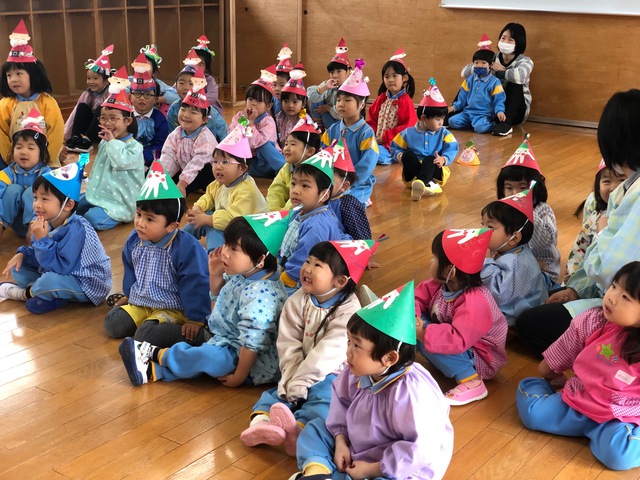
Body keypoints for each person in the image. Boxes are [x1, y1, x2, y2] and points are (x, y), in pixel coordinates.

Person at [516, 89, 640, 356]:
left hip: (626, 309)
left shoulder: (636, 193)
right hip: (609, 293)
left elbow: (610, 271)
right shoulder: (625, 189)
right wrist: (576, 288)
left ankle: (606, 360)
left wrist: (603, 231)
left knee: (529, 325)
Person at [290, 281, 454, 480]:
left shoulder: (410, 393)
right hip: (359, 444)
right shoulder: (356, 371)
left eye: (357, 346)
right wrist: (341, 441)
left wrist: (373, 469)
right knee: (316, 429)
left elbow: (419, 448)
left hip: (398, 465)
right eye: (349, 341)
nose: (348, 352)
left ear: (389, 358)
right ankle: (317, 472)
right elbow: (341, 403)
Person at [118, 212, 289, 387]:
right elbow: (218, 300)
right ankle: (153, 371)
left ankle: (158, 355)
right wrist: (215, 274)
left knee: (213, 358)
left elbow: (251, 346)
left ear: (260, 259)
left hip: (250, 362)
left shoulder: (263, 295)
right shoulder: (246, 273)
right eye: (226, 244)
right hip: (223, 339)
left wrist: (238, 377)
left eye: (234, 249)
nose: (225, 253)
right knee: (205, 356)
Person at [240, 240, 375, 456]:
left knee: (323, 402)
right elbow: (288, 343)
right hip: (300, 367)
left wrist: (301, 381)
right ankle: (262, 424)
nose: (307, 268)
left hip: (333, 375)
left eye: (317, 265)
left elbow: (329, 352)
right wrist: (290, 377)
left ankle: (299, 430)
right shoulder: (297, 300)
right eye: (308, 261)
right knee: (276, 394)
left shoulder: (349, 310)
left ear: (340, 281)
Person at [517, 261, 640, 471]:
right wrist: (549, 375)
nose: (612, 297)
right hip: (574, 401)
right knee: (533, 414)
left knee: (619, 457)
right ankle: (537, 388)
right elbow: (559, 355)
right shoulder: (591, 321)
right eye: (614, 286)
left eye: (626, 297)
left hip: (619, 418)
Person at [103, 162, 210, 347]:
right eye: (139, 214)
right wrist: (129, 296)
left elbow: (196, 282)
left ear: (172, 226)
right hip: (142, 302)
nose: (140, 223)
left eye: (150, 219)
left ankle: (202, 335)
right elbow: (131, 272)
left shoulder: (186, 248)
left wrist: (196, 318)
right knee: (113, 324)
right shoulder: (134, 240)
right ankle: (147, 323)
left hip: (173, 308)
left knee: (146, 336)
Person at [0, 156, 111, 314]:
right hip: (57, 271)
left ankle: (25, 294)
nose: (37, 205)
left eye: (45, 199)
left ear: (68, 205)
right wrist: (23, 254)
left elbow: (61, 268)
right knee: (18, 267)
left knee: (49, 280)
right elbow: (41, 256)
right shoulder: (48, 221)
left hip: (86, 283)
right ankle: (46, 293)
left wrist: (42, 240)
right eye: (36, 198)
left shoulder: (78, 229)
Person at [415, 229, 508, 406]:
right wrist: (413, 316)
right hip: (452, 338)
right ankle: (397, 344)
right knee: (414, 322)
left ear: (450, 271)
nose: (431, 261)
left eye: (434, 257)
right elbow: (418, 299)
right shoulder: (440, 284)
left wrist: (423, 333)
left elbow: (457, 340)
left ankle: (472, 381)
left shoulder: (474, 300)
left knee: (426, 337)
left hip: (479, 356)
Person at [184, 120, 269, 252]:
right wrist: (198, 208)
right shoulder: (218, 184)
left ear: (242, 169)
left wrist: (208, 219)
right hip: (230, 224)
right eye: (215, 161)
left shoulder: (247, 190)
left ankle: (216, 255)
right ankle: (182, 242)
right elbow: (208, 197)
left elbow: (234, 219)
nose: (218, 166)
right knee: (199, 220)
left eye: (225, 162)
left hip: (251, 234)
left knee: (212, 224)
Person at [279, 149, 350, 296]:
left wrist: (284, 278)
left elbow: (304, 260)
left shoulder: (316, 225)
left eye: (305, 186)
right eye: (293, 183)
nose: (295, 190)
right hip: (291, 268)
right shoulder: (301, 211)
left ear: (324, 195)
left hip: (304, 280)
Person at [76, 90, 144, 231]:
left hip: (120, 202)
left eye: (113, 118)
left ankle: (118, 217)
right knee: (73, 206)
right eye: (103, 118)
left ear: (127, 121)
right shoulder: (105, 142)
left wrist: (112, 142)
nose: (107, 123)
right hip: (100, 194)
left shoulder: (135, 147)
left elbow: (120, 162)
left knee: (90, 218)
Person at [497, 136, 560, 286]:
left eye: (522, 188)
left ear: (534, 188)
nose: (515, 193)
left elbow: (544, 243)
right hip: (512, 265)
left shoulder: (543, 211)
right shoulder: (502, 211)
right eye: (509, 188)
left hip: (543, 271)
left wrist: (528, 213)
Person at [0, 19, 63, 168]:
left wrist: (46, 157)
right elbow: (1, 134)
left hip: (44, 161)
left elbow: (56, 132)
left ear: (33, 75)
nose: (13, 79)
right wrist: (12, 159)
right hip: (13, 161)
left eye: (19, 73)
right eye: (9, 75)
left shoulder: (47, 102)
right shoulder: (6, 104)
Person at [481, 188, 548, 325]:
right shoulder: (515, 251)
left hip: (513, 317)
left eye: (490, 227)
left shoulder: (516, 261)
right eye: (483, 225)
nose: (482, 231)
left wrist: (486, 262)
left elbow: (499, 294)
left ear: (514, 238)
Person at [320, 59, 379, 206]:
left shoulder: (366, 133)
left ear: (362, 104)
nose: (341, 104)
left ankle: (363, 199)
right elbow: (323, 155)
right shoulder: (332, 130)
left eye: (347, 100)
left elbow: (367, 164)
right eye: (339, 100)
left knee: (344, 204)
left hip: (357, 183)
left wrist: (347, 181)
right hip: (332, 181)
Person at [391, 79, 459, 200]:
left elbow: (452, 148)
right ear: (424, 118)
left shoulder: (444, 133)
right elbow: (395, 147)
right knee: (407, 155)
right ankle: (426, 184)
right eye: (438, 119)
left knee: (430, 159)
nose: (441, 122)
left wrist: (443, 159)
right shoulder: (408, 133)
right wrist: (399, 156)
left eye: (443, 119)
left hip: (435, 171)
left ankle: (423, 182)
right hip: (411, 176)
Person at [461, 23, 533, 136]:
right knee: (471, 80)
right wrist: (487, 66)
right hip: (489, 108)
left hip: (515, 110)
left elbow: (520, 76)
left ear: (519, 43)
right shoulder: (491, 58)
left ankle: (506, 123)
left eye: (510, 40)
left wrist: (498, 71)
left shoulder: (525, 61)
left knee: (515, 83)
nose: (505, 42)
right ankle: (454, 112)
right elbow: (464, 72)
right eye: (503, 38)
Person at [565, 160, 626, 284]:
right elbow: (579, 249)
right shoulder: (595, 217)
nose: (614, 187)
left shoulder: (633, 217)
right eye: (606, 181)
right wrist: (572, 277)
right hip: (586, 279)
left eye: (622, 180)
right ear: (598, 187)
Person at [159, 82, 219, 196]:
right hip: (184, 171)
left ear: (205, 119)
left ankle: (182, 188)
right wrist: (161, 177)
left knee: (208, 169)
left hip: (202, 175)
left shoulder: (205, 137)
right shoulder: (176, 134)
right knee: (157, 172)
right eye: (183, 110)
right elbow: (168, 156)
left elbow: (197, 163)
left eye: (193, 112)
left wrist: (182, 183)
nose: (186, 115)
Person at [0, 108, 51, 239]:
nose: (23, 152)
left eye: (30, 148)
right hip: (15, 223)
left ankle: (33, 233)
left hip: (41, 224)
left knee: (32, 192)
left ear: (42, 153)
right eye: (19, 147)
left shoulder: (46, 174)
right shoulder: (8, 173)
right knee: (13, 190)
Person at [227, 70, 284, 178]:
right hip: (248, 164)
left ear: (268, 106)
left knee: (264, 145)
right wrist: (245, 121)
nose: (253, 103)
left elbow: (255, 143)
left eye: (259, 101)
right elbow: (232, 135)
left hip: (265, 164)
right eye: (250, 99)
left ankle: (284, 169)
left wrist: (251, 123)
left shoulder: (268, 121)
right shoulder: (241, 116)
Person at [366, 48, 417, 165]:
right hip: (377, 141)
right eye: (387, 76)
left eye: (395, 76)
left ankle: (395, 156)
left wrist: (385, 138)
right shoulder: (381, 99)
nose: (390, 80)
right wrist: (370, 135)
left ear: (404, 78)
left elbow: (407, 127)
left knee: (375, 154)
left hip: (393, 144)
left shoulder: (405, 101)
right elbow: (372, 120)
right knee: (363, 148)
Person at [448, 34, 506, 134]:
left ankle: (490, 124)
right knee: (452, 122)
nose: (479, 65)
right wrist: (453, 108)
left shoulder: (495, 82)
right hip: (468, 113)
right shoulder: (469, 80)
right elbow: (462, 97)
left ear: (491, 65)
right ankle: (473, 124)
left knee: (480, 128)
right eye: (476, 62)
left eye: (483, 63)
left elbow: (499, 99)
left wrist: (499, 111)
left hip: (484, 115)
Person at [64, 44, 114, 152]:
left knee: (102, 108)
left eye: (95, 78)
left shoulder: (111, 93)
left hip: (103, 129)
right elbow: (75, 113)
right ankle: (76, 137)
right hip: (89, 127)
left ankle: (87, 140)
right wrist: (66, 133)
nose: (91, 82)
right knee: (81, 106)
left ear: (106, 81)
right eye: (88, 78)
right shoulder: (87, 93)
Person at [267, 117, 320, 211]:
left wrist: (282, 215)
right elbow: (276, 190)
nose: (287, 148)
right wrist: (273, 211)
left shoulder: (312, 172)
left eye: (293, 144)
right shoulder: (288, 167)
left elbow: (297, 199)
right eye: (286, 144)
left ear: (310, 151)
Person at [167, 58, 227, 141]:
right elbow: (172, 135)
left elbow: (223, 130)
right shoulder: (173, 109)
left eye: (191, 83)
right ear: (175, 86)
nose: (186, 87)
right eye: (181, 83)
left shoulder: (209, 110)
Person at [329, 138, 372, 240]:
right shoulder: (318, 198)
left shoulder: (348, 204)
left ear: (344, 186)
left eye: (329, 178)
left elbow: (361, 238)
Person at [130, 55, 169, 167]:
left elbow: (160, 145)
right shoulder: (125, 116)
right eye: (137, 94)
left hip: (150, 162)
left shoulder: (160, 119)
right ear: (130, 97)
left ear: (155, 99)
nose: (142, 98)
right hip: (126, 158)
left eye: (147, 95)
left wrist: (143, 159)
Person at [307, 38, 351, 131]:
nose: (334, 75)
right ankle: (319, 127)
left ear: (348, 72)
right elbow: (310, 97)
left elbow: (346, 113)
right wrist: (325, 87)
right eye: (331, 72)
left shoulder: (351, 88)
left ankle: (331, 132)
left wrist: (329, 109)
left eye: (339, 71)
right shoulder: (329, 84)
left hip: (344, 124)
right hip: (328, 120)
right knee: (317, 96)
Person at [137, 44, 179, 115]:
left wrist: (158, 99)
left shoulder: (157, 83)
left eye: (147, 65)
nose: (143, 68)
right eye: (140, 64)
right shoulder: (129, 80)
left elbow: (176, 95)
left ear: (153, 71)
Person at [276, 64, 310, 150]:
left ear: (303, 103)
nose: (290, 105)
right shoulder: (279, 116)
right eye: (286, 101)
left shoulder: (304, 119)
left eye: (295, 102)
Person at [189, 35, 223, 115]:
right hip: (188, 108)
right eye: (194, 63)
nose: (196, 67)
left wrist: (193, 100)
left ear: (206, 68)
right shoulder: (184, 77)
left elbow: (213, 96)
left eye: (201, 65)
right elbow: (173, 91)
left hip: (207, 111)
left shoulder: (209, 79)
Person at [274, 43, 293, 116]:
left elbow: (303, 117)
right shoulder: (271, 100)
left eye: (282, 85)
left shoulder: (297, 99)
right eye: (274, 85)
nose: (277, 88)